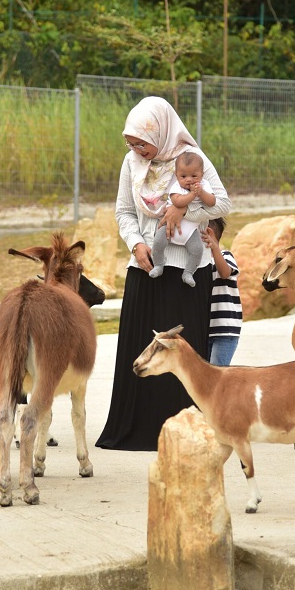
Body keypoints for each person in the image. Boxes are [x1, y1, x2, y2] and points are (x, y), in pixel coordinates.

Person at [96, 96, 230, 451]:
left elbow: (224, 204)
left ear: (162, 130)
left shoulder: (191, 158)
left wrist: (181, 214)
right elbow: (124, 211)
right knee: (142, 350)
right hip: (146, 267)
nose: (136, 149)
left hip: (188, 271)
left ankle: (186, 432)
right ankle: (135, 432)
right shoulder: (132, 163)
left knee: (183, 354)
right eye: (131, 142)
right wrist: (136, 244)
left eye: (142, 141)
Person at [149, 150, 216, 287]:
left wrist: (201, 193)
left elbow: (212, 202)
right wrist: (192, 195)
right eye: (183, 176)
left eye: (194, 176)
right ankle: (159, 264)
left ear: (202, 175)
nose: (189, 180)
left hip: (190, 231)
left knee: (197, 249)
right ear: (176, 176)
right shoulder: (176, 187)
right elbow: (178, 202)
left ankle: (188, 272)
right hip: (170, 227)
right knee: (158, 243)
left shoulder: (204, 186)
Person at [202, 217, 242, 366]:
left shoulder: (226, 256)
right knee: (206, 373)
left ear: (208, 233)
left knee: (217, 372)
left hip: (225, 329)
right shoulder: (199, 261)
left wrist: (214, 248)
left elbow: (225, 273)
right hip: (206, 330)